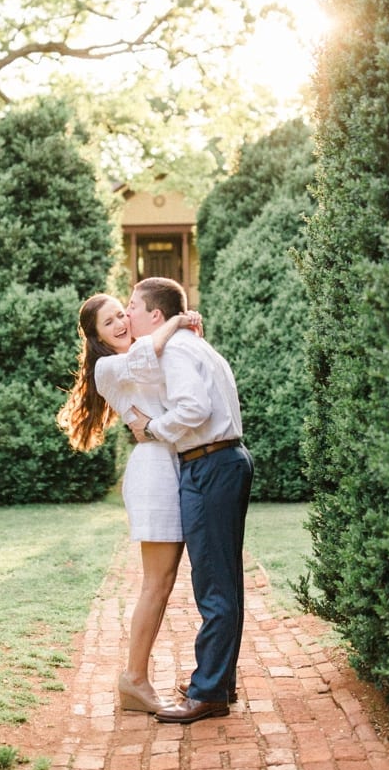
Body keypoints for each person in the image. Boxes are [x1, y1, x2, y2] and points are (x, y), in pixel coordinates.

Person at [58, 293, 202, 714]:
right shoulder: (107, 367)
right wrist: (176, 321)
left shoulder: (141, 352)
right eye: (109, 322)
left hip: (172, 464)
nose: (121, 322)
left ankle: (135, 678)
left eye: (122, 313)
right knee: (156, 584)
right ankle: (134, 679)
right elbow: (150, 350)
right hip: (154, 473)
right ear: (96, 338)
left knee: (165, 581)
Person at [124, 276, 252, 725]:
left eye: (133, 306)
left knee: (213, 584)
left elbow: (193, 408)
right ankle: (219, 680)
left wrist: (152, 429)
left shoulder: (177, 350)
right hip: (221, 461)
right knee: (223, 581)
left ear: (155, 314)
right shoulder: (193, 345)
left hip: (209, 464)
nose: (127, 314)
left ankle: (209, 692)